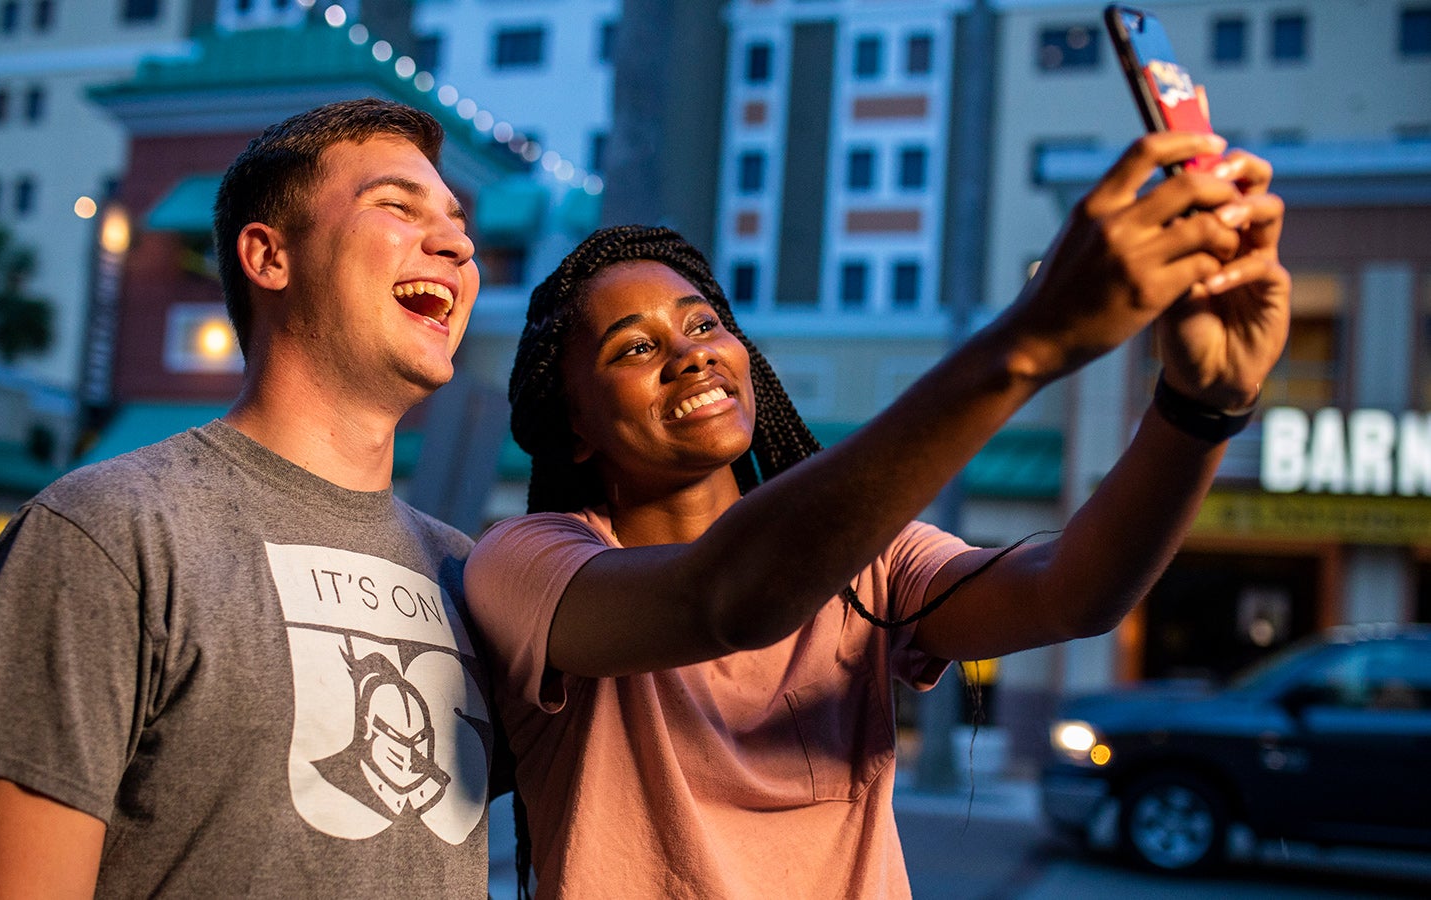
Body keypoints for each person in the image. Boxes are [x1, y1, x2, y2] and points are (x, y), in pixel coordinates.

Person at [464, 132, 1290, 898]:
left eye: (705, 323)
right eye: (634, 349)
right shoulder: (529, 563)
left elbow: (1071, 590)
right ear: (574, 427)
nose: (691, 353)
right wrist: (1030, 341)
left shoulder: (867, 565)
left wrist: (1201, 410)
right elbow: (721, 600)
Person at [0, 98, 498, 896]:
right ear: (269, 257)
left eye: (456, 221)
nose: (457, 243)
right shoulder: (105, 533)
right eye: (395, 207)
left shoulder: (471, 577)